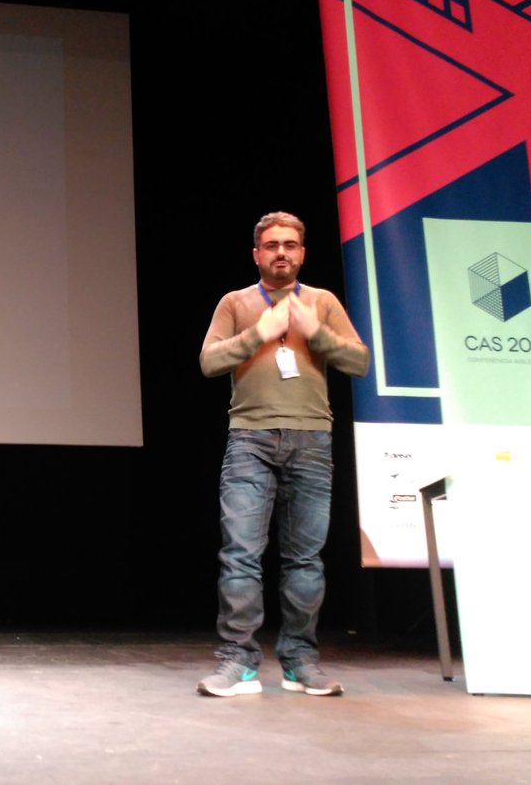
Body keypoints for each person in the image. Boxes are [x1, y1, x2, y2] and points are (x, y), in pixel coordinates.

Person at [196, 211, 368, 698]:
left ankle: (300, 662)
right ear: (257, 254)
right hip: (250, 439)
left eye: (290, 245)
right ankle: (238, 661)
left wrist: (315, 332)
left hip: (311, 439)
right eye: (271, 245)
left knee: (305, 560)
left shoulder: (322, 302)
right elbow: (209, 362)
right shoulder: (235, 302)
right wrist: (260, 331)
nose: (281, 253)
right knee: (240, 556)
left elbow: (358, 361)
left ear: (302, 253)